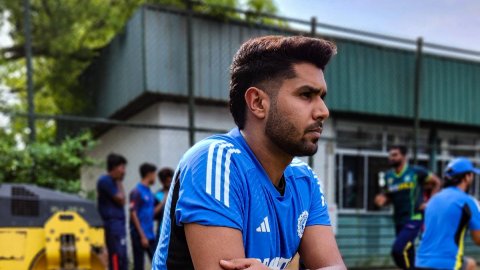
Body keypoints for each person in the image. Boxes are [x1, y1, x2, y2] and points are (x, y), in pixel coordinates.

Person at [152, 35, 345, 270]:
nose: (323, 111)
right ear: (257, 103)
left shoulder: (306, 180)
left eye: (321, 97)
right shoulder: (215, 161)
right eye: (306, 95)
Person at [374, 145, 441, 270]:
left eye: (395, 155)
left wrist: (430, 202)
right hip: (398, 220)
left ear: (404, 157)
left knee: (398, 250)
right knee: (409, 254)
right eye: (390, 155)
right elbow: (389, 196)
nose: (391, 158)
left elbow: (437, 182)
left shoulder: (415, 172)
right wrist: (383, 200)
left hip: (414, 218)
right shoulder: (389, 177)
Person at [416, 157, 480, 270]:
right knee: (470, 265)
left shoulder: (433, 200)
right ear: (467, 177)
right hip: (447, 265)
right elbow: (478, 239)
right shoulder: (467, 201)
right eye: (472, 175)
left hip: (420, 263)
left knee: (470, 264)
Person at [97, 153, 128, 270]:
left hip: (118, 225)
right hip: (112, 224)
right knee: (116, 256)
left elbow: (123, 200)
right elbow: (121, 199)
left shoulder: (114, 182)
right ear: (114, 167)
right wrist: (119, 181)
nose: (124, 171)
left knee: (123, 257)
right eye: (122, 167)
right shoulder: (105, 181)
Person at [129, 163, 158, 270]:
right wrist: (142, 236)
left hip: (150, 235)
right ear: (149, 174)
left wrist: (164, 201)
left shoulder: (149, 192)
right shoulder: (136, 191)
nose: (155, 177)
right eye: (154, 174)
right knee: (139, 265)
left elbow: (152, 212)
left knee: (157, 262)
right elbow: (133, 213)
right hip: (139, 235)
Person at [154, 167, 173, 240]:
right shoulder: (158, 195)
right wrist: (163, 201)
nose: (170, 182)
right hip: (162, 232)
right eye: (167, 181)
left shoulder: (178, 194)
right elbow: (153, 214)